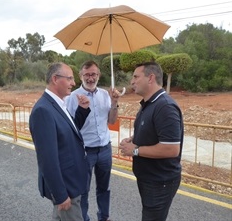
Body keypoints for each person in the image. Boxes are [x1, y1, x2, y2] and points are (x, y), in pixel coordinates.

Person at [119, 61, 184, 221]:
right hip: (150, 179)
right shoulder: (149, 104)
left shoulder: (165, 106)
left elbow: (171, 149)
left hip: (160, 181)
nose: (132, 82)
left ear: (151, 78)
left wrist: (135, 150)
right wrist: (134, 139)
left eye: (136, 77)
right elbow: (152, 131)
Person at [29, 62, 91, 221]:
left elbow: (69, 133)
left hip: (72, 180)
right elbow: (47, 159)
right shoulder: (43, 110)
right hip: (66, 186)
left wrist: (82, 111)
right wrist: (60, 194)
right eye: (69, 78)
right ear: (55, 79)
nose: (74, 83)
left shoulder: (58, 103)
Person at [65, 60, 120, 221]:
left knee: (104, 188)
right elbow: (70, 127)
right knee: (83, 190)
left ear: (99, 75)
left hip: (104, 148)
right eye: (87, 74)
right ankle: (84, 218)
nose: (90, 78)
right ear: (80, 76)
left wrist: (115, 102)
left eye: (93, 74)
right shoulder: (72, 97)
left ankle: (104, 216)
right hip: (84, 151)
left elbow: (111, 120)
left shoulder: (105, 94)